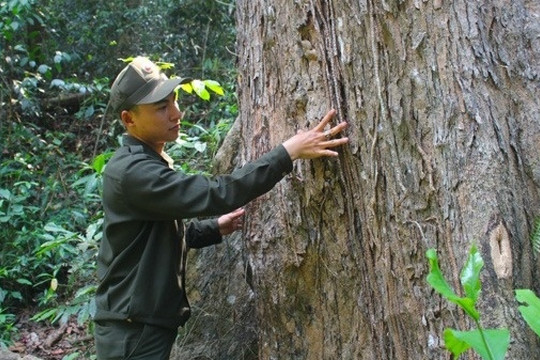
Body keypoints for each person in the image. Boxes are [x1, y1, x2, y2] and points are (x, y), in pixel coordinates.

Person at [93, 56, 348, 359]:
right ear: (129, 119)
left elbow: (148, 238)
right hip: (132, 333)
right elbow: (219, 193)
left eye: (173, 100)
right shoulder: (134, 172)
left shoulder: (140, 163)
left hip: (137, 325)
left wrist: (213, 228)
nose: (176, 113)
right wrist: (287, 153)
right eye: (161, 108)